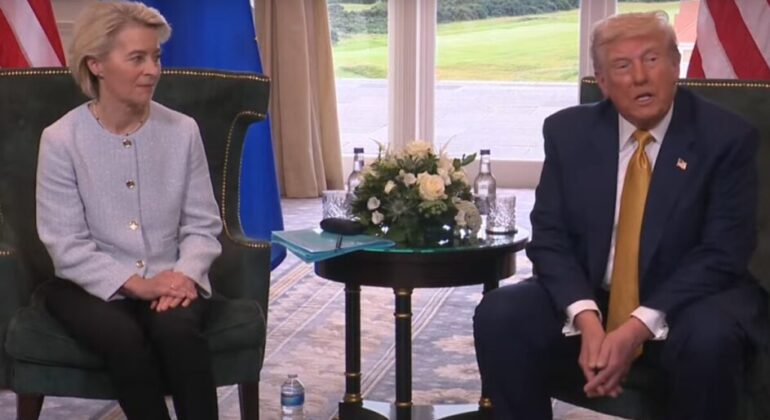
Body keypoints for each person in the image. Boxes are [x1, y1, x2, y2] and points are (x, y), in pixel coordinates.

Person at [473, 11, 767, 420]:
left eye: (652, 59)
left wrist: (635, 328)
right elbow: (551, 239)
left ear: (675, 66)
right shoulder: (568, 133)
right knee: (501, 313)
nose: (640, 77)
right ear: (603, 81)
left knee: (710, 337)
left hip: (690, 298)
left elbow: (723, 252)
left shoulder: (725, 137)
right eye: (622, 66)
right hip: (597, 292)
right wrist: (587, 319)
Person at [35, 2, 221, 420]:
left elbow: (202, 225)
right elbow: (66, 243)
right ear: (96, 65)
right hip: (85, 286)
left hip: (171, 274)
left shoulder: (182, 130)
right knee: (122, 338)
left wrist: (184, 275)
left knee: (177, 331)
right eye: (137, 58)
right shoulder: (61, 140)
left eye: (156, 57)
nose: (152, 70)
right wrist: (137, 285)